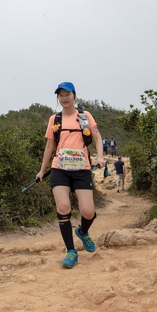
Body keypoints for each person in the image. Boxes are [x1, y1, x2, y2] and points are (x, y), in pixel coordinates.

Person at [36, 82, 106, 269]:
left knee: (88, 212)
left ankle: (83, 232)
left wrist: (100, 157)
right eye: (61, 95)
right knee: (63, 207)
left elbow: (97, 137)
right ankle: (71, 251)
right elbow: (50, 146)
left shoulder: (85, 116)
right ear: (58, 98)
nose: (64, 98)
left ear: (74, 95)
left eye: (67, 94)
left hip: (81, 169)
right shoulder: (55, 119)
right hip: (59, 169)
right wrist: (42, 170)